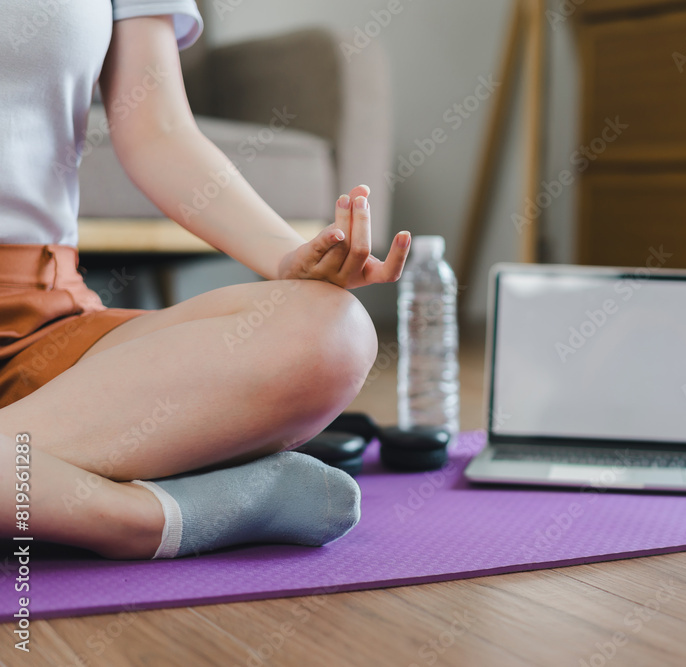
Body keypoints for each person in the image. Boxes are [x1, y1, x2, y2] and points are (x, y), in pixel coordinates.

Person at [0, 1, 410, 559]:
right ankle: (139, 517)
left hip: (39, 321)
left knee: (330, 332)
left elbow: (159, 129)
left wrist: (286, 258)